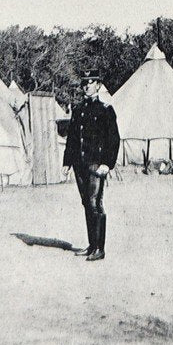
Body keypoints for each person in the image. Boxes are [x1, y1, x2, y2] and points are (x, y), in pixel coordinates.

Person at [63, 74, 120, 260]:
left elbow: (113, 139)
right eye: (84, 83)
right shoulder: (78, 110)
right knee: (87, 203)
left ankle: (100, 249)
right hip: (79, 164)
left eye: (91, 83)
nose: (87, 86)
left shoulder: (105, 110)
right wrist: (67, 162)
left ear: (98, 85)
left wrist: (107, 164)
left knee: (95, 203)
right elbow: (72, 138)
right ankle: (91, 245)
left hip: (96, 164)